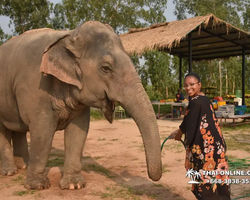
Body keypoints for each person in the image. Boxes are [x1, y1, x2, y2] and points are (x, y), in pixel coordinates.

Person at [170, 72, 231, 200]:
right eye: (186, 85)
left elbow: (188, 123)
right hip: (217, 148)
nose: (188, 88)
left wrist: (179, 133)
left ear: (199, 85)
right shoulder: (205, 99)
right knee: (218, 181)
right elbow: (190, 122)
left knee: (205, 185)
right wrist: (179, 132)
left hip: (205, 151)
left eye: (192, 84)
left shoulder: (195, 102)